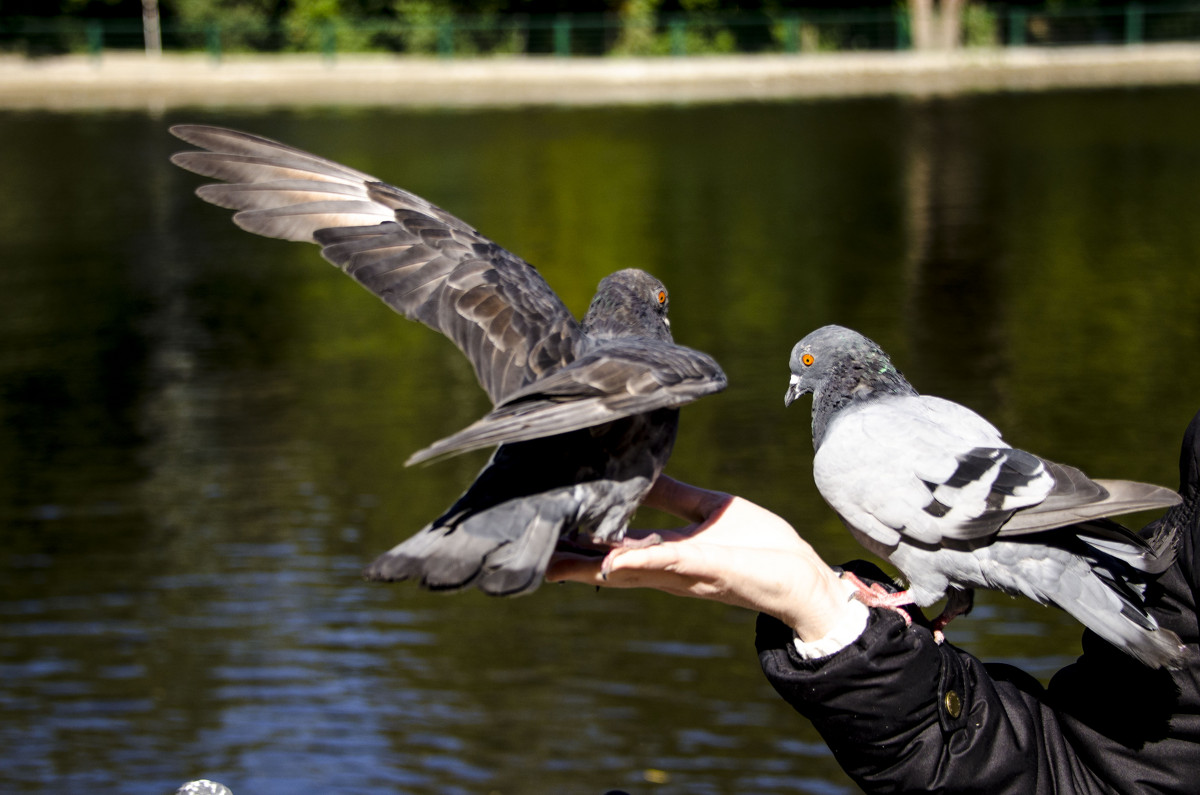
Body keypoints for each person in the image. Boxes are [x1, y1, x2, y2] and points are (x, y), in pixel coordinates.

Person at [546, 409, 1200, 793]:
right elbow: (1093, 775)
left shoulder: (852, 453)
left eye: (805, 368)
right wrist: (836, 621)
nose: (796, 385)